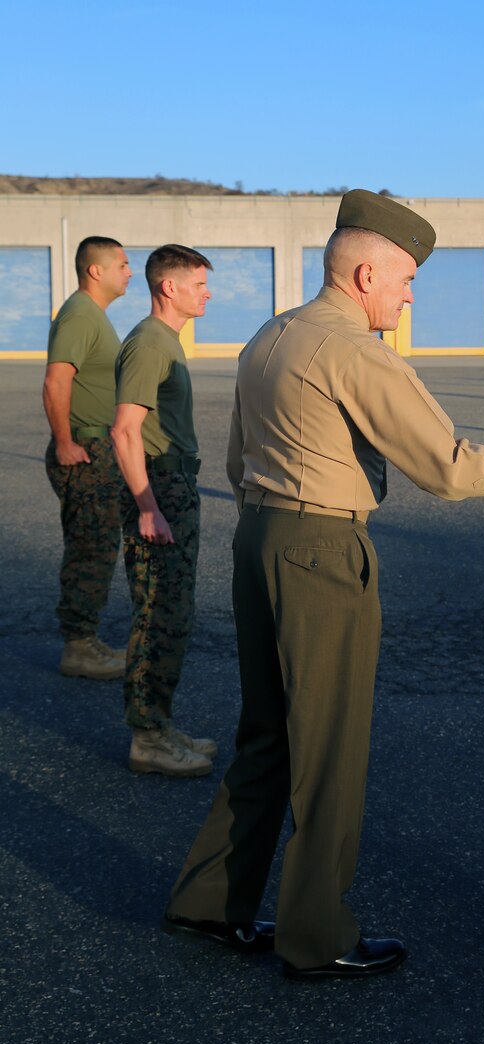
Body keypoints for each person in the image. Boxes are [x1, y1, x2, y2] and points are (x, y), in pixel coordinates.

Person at [162, 190, 484, 982]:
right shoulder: (356, 351)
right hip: (318, 548)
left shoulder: (270, 336)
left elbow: (240, 459)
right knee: (329, 751)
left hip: (260, 540)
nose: (411, 295)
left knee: (268, 734)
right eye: (407, 279)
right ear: (366, 273)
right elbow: (447, 467)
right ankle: (316, 938)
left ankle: (211, 899)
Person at [110, 244, 218, 777]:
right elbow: (124, 430)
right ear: (168, 287)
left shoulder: (164, 341)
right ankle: (148, 737)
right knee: (158, 615)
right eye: (199, 284)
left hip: (173, 484)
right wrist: (148, 508)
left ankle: (160, 724)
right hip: (159, 489)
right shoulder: (150, 343)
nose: (207, 293)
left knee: (172, 615)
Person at [43, 236, 132, 680]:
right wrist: (64, 442)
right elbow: (56, 381)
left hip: (98, 447)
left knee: (97, 546)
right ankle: (78, 647)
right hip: (84, 448)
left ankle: (86, 640)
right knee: (89, 548)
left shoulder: (92, 315)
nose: (129, 272)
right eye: (123, 263)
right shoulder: (80, 314)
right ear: (96, 271)